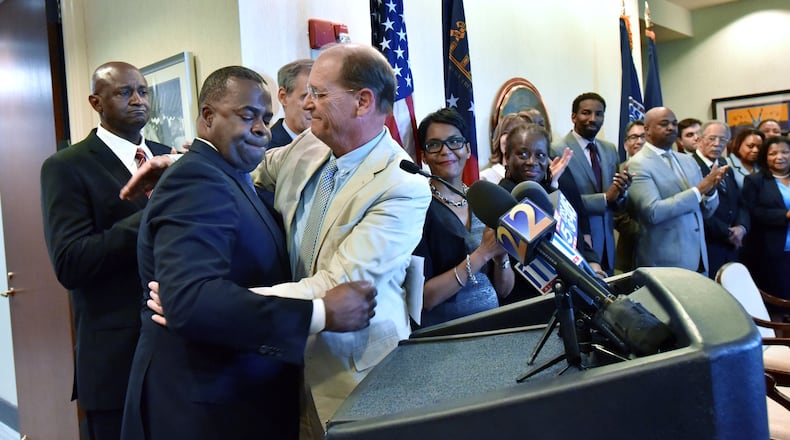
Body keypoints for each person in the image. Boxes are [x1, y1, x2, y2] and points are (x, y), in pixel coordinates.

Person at [120, 66, 376, 440]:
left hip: (235, 397)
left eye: (266, 118)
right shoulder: (198, 179)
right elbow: (190, 300)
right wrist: (320, 312)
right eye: (247, 115)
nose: (262, 129)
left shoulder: (229, 174)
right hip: (202, 408)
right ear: (208, 117)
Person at [39, 61, 172, 440]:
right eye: (124, 92)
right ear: (96, 102)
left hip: (176, 348)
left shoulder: (169, 157)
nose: (138, 101)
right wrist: (151, 214)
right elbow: (71, 262)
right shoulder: (66, 167)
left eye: (143, 92)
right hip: (115, 358)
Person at [413, 108, 514, 327]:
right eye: (434, 145)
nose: (445, 150)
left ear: (468, 150)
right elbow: (424, 299)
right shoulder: (418, 209)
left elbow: (504, 291)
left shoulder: (485, 200)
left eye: (454, 142)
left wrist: (501, 258)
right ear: (423, 156)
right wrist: (483, 253)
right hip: (446, 338)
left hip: (493, 327)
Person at [498, 122, 603, 303]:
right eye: (523, 154)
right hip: (530, 304)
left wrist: (595, 268)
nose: (532, 162)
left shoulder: (549, 190)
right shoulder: (505, 199)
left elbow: (575, 239)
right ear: (507, 157)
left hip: (572, 295)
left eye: (540, 155)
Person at [627, 107, 726, 275]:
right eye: (664, 124)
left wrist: (710, 192)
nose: (671, 128)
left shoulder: (688, 160)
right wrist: (700, 189)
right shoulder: (638, 164)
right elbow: (653, 212)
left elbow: (704, 212)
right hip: (665, 261)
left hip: (699, 257)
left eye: (674, 124)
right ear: (647, 129)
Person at [551, 92, 631, 276]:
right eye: (586, 113)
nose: (593, 119)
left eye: (599, 114)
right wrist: (604, 198)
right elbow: (562, 202)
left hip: (608, 243)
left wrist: (622, 191)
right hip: (580, 242)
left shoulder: (609, 149)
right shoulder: (557, 150)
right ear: (573, 116)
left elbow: (615, 199)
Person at [694, 121, 748, 278]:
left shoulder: (724, 164)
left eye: (723, 140)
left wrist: (742, 228)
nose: (717, 144)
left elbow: (739, 202)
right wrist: (728, 233)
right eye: (712, 138)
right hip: (708, 245)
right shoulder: (690, 165)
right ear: (700, 139)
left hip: (733, 246)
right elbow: (697, 207)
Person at [741, 136, 790, 302]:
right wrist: (785, 215)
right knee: (780, 300)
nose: (780, 157)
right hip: (773, 250)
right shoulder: (756, 180)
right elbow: (753, 212)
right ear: (765, 157)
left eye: (785, 152)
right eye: (773, 153)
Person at [614, 120, 645, 273]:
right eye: (634, 137)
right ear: (626, 144)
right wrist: (645, 234)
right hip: (631, 252)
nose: (639, 141)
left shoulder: (663, 169)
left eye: (643, 136)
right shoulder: (618, 171)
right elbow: (617, 215)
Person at [270, 58, 313, 147]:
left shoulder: (333, 145)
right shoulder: (264, 151)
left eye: (320, 97)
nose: (314, 105)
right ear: (283, 97)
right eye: (305, 97)